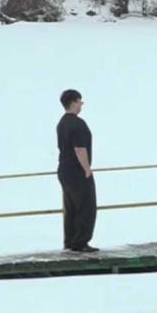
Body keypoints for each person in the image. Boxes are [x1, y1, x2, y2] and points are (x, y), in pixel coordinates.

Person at [56, 89, 98, 253]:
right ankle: (80, 242)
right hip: (77, 171)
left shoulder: (62, 123)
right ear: (73, 103)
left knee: (71, 207)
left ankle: (70, 240)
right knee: (86, 206)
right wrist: (87, 169)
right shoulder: (78, 124)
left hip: (64, 170)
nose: (81, 105)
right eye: (80, 101)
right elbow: (79, 149)